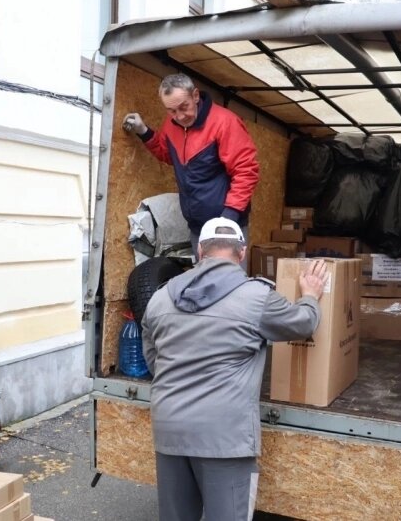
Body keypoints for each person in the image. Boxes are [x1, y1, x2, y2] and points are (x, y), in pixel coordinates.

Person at [140, 217, 327, 521]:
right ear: (242, 253)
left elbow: (153, 358)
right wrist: (310, 295)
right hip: (223, 437)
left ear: (200, 251)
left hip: (170, 428)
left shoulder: (160, 298)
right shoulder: (257, 297)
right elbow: (303, 323)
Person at [123, 74, 260, 268]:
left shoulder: (224, 122)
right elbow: (167, 154)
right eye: (171, 110)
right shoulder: (172, 125)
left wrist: (228, 218)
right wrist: (143, 131)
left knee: (230, 281)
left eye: (184, 107)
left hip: (226, 226)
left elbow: (245, 170)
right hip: (197, 227)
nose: (179, 116)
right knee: (204, 280)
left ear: (195, 96)